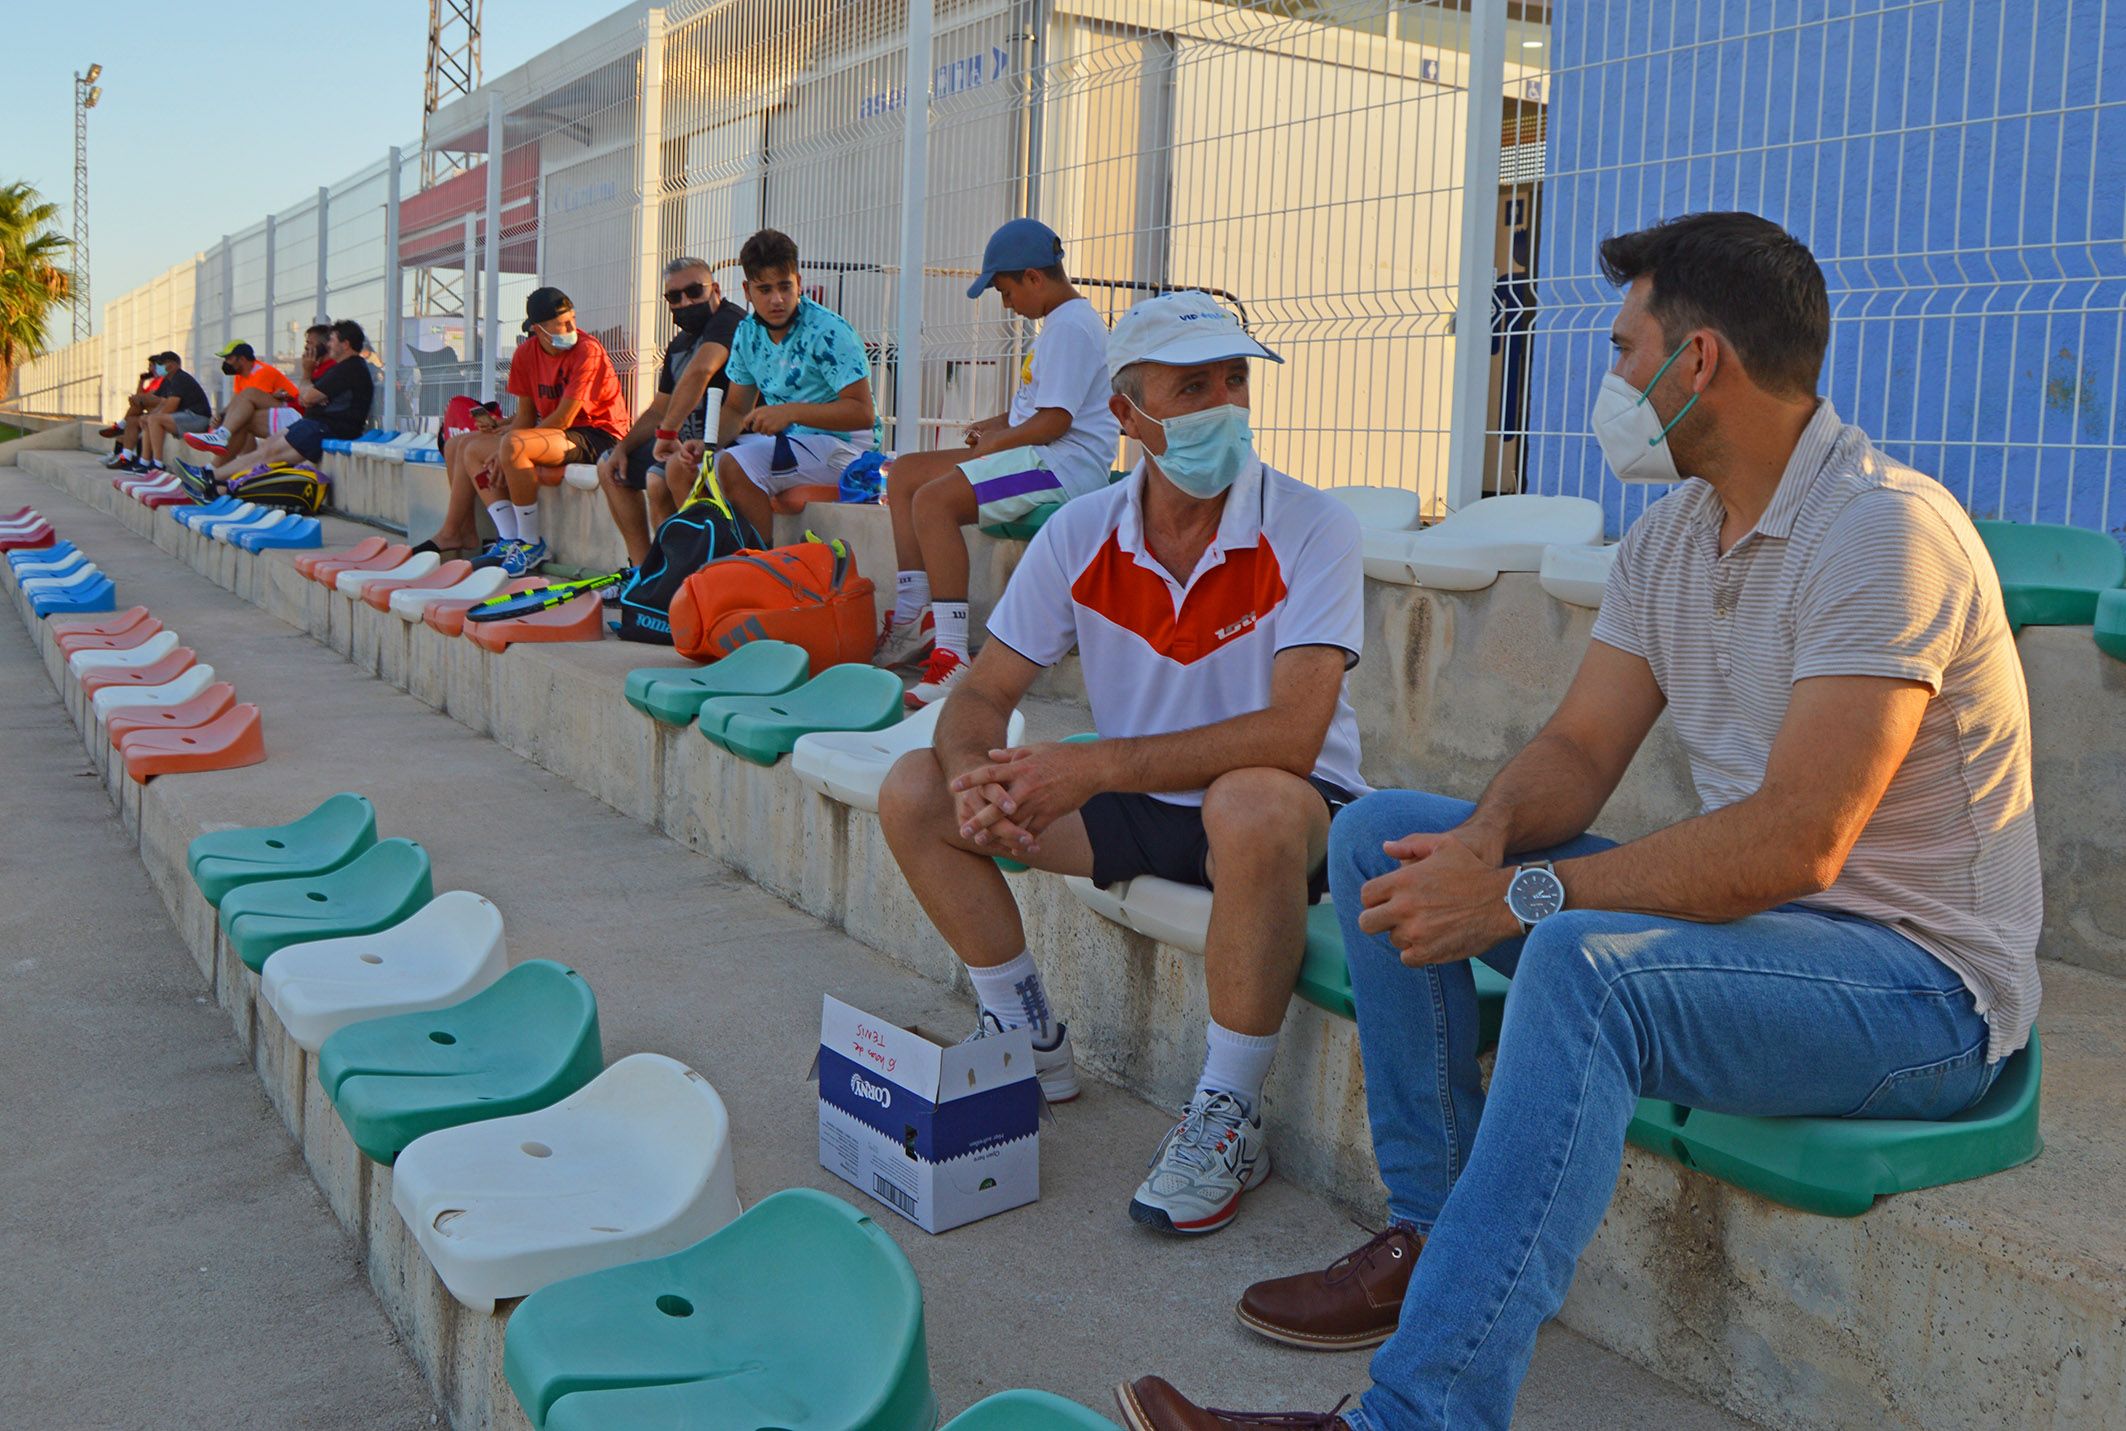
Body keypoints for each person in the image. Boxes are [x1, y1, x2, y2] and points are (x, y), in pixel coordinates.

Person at [1115, 212, 2044, 1430]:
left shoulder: (1883, 532)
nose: (1607, 377)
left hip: (1915, 991)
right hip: (1767, 943)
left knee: (1579, 966)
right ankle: (1433, 1239)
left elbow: (1794, 844)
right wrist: (1481, 845)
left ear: (1695, 361)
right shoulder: (1671, 534)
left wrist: (1521, 894)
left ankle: (1416, 1416)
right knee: (1377, 833)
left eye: (1620, 347)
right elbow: (1575, 751)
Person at [877, 291, 1367, 1236]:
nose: (1225, 402)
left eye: (1235, 379)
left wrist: (1092, 767)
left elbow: (1294, 736)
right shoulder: (1080, 531)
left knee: (1254, 804)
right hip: (1141, 796)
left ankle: (1227, 1110)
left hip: (1290, 809)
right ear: (1130, 418)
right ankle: (1023, 1034)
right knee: (916, 791)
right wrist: (976, 770)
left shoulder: (1312, 525)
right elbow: (980, 695)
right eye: (1193, 386)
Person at [877, 218, 1120, 709]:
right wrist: (994, 426)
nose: (1006, 304)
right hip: (1037, 453)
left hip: (1061, 468)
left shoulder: (1073, 327)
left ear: (1034, 277)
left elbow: (1054, 422)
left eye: (1006, 291)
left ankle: (951, 658)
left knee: (934, 502)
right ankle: (913, 617)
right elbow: (1035, 409)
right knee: (905, 475)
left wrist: (997, 444)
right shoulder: (1058, 325)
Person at [421, 287, 631, 576]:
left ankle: (531, 543)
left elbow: (564, 417)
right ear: (538, 329)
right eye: (562, 324)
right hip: (556, 434)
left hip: (597, 434)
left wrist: (507, 446)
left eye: (572, 320)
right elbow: (526, 417)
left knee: (514, 445)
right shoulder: (525, 354)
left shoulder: (588, 349)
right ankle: (508, 538)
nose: (571, 328)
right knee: (466, 446)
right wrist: (501, 439)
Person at [712, 229, 877, 544]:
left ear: (798, 283)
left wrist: (790, 413)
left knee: (733, 467)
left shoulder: (828, 331)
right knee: (688, 469)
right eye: (764, 289)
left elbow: (862, 414)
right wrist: (704, 446)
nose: (777, 299)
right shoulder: (747, 333)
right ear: (747, 291)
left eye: (785, 286)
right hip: (794, 445)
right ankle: (707, 573)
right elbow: (735, 409)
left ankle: (761, 571)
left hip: (846, 449)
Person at [595, 256, 746, 567]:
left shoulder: (731, 322)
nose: (685, 302)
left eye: (694, 292)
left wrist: (667, 433)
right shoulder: (679, 343)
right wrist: (623, 447)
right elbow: (658, 409)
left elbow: (702, 369)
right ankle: (643, 570)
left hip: (726, 441)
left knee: (658, 479)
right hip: (679, 442)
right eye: (674, 297)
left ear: (715, 289)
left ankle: (681, 574)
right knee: (609, 466)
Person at [199, 320, 374, 486]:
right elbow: (306, 397)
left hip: (325, 429)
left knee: (268, 453)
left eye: (333, 340)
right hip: (313, 424)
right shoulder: (342, 368)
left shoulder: (350, 368)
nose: (329, 345)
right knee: (265, 449)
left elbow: (306, 399)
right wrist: (309, 391)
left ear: (345, 344)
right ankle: (214, 477)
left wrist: (306, 376)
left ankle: (211, 477)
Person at [180, 341, 304, 465]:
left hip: (295, 412)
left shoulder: (262, 372)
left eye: (229, 358)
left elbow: (255, 402)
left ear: (242, 359)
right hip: (277, 413)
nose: (225, 363)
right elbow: (237, 402)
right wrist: (220, 416)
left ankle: (221, 439)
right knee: (240, 418)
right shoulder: (240, 376)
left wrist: (225, 421)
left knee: (247, 402)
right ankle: (221, 468)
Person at [131, 353, 212, 472]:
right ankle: (144, 462)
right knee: (148, 418)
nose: (158, 367)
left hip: (198, 418)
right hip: (185, 417)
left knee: (153, 419)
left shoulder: (180, 378)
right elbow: (163, 403)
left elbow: (171, 406)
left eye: (162, 364)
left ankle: (158, 465)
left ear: (173, 365)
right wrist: (148, 416)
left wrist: (152, 417)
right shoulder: (168, 380)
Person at [100, 357, 168, 469]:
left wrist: (138, 399)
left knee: (137, 402)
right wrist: (141, 381)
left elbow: (152, 398)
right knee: (131, 421)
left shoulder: (164, 380)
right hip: (149, 412)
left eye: (151, 365)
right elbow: (139, 396)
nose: (149, 368)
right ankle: (125, 457)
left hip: (160, 412)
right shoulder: (154, 381)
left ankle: (120, 426)